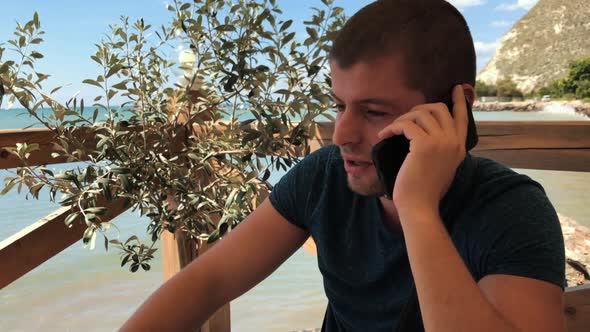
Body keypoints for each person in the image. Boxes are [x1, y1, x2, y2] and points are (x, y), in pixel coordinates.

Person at [120, 0, 566, 331]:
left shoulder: (512, 209)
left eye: (373, 112)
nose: (342, 136)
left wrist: (416, 209)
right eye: (339, 105)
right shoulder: (323, 177)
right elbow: (209, 283)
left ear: (457, 109)